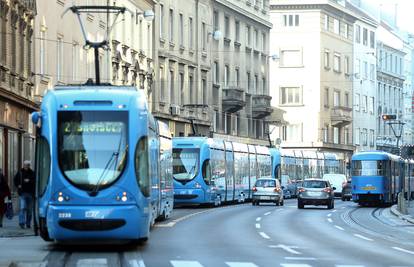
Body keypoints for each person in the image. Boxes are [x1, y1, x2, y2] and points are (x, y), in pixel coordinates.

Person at [14, 160, 35, 229]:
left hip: (30, 193)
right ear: (23, 165)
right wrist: (18, 185)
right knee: (22, 208)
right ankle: (22, 223)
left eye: (28, 165)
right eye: (26, 165)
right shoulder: (20, 172)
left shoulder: (32, 173)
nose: (27, 166)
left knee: (29, 209)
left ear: (29, 165)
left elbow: (35, 181)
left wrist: (29, 181)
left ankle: (28, 223)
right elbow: (15, 180)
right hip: (22, 193)